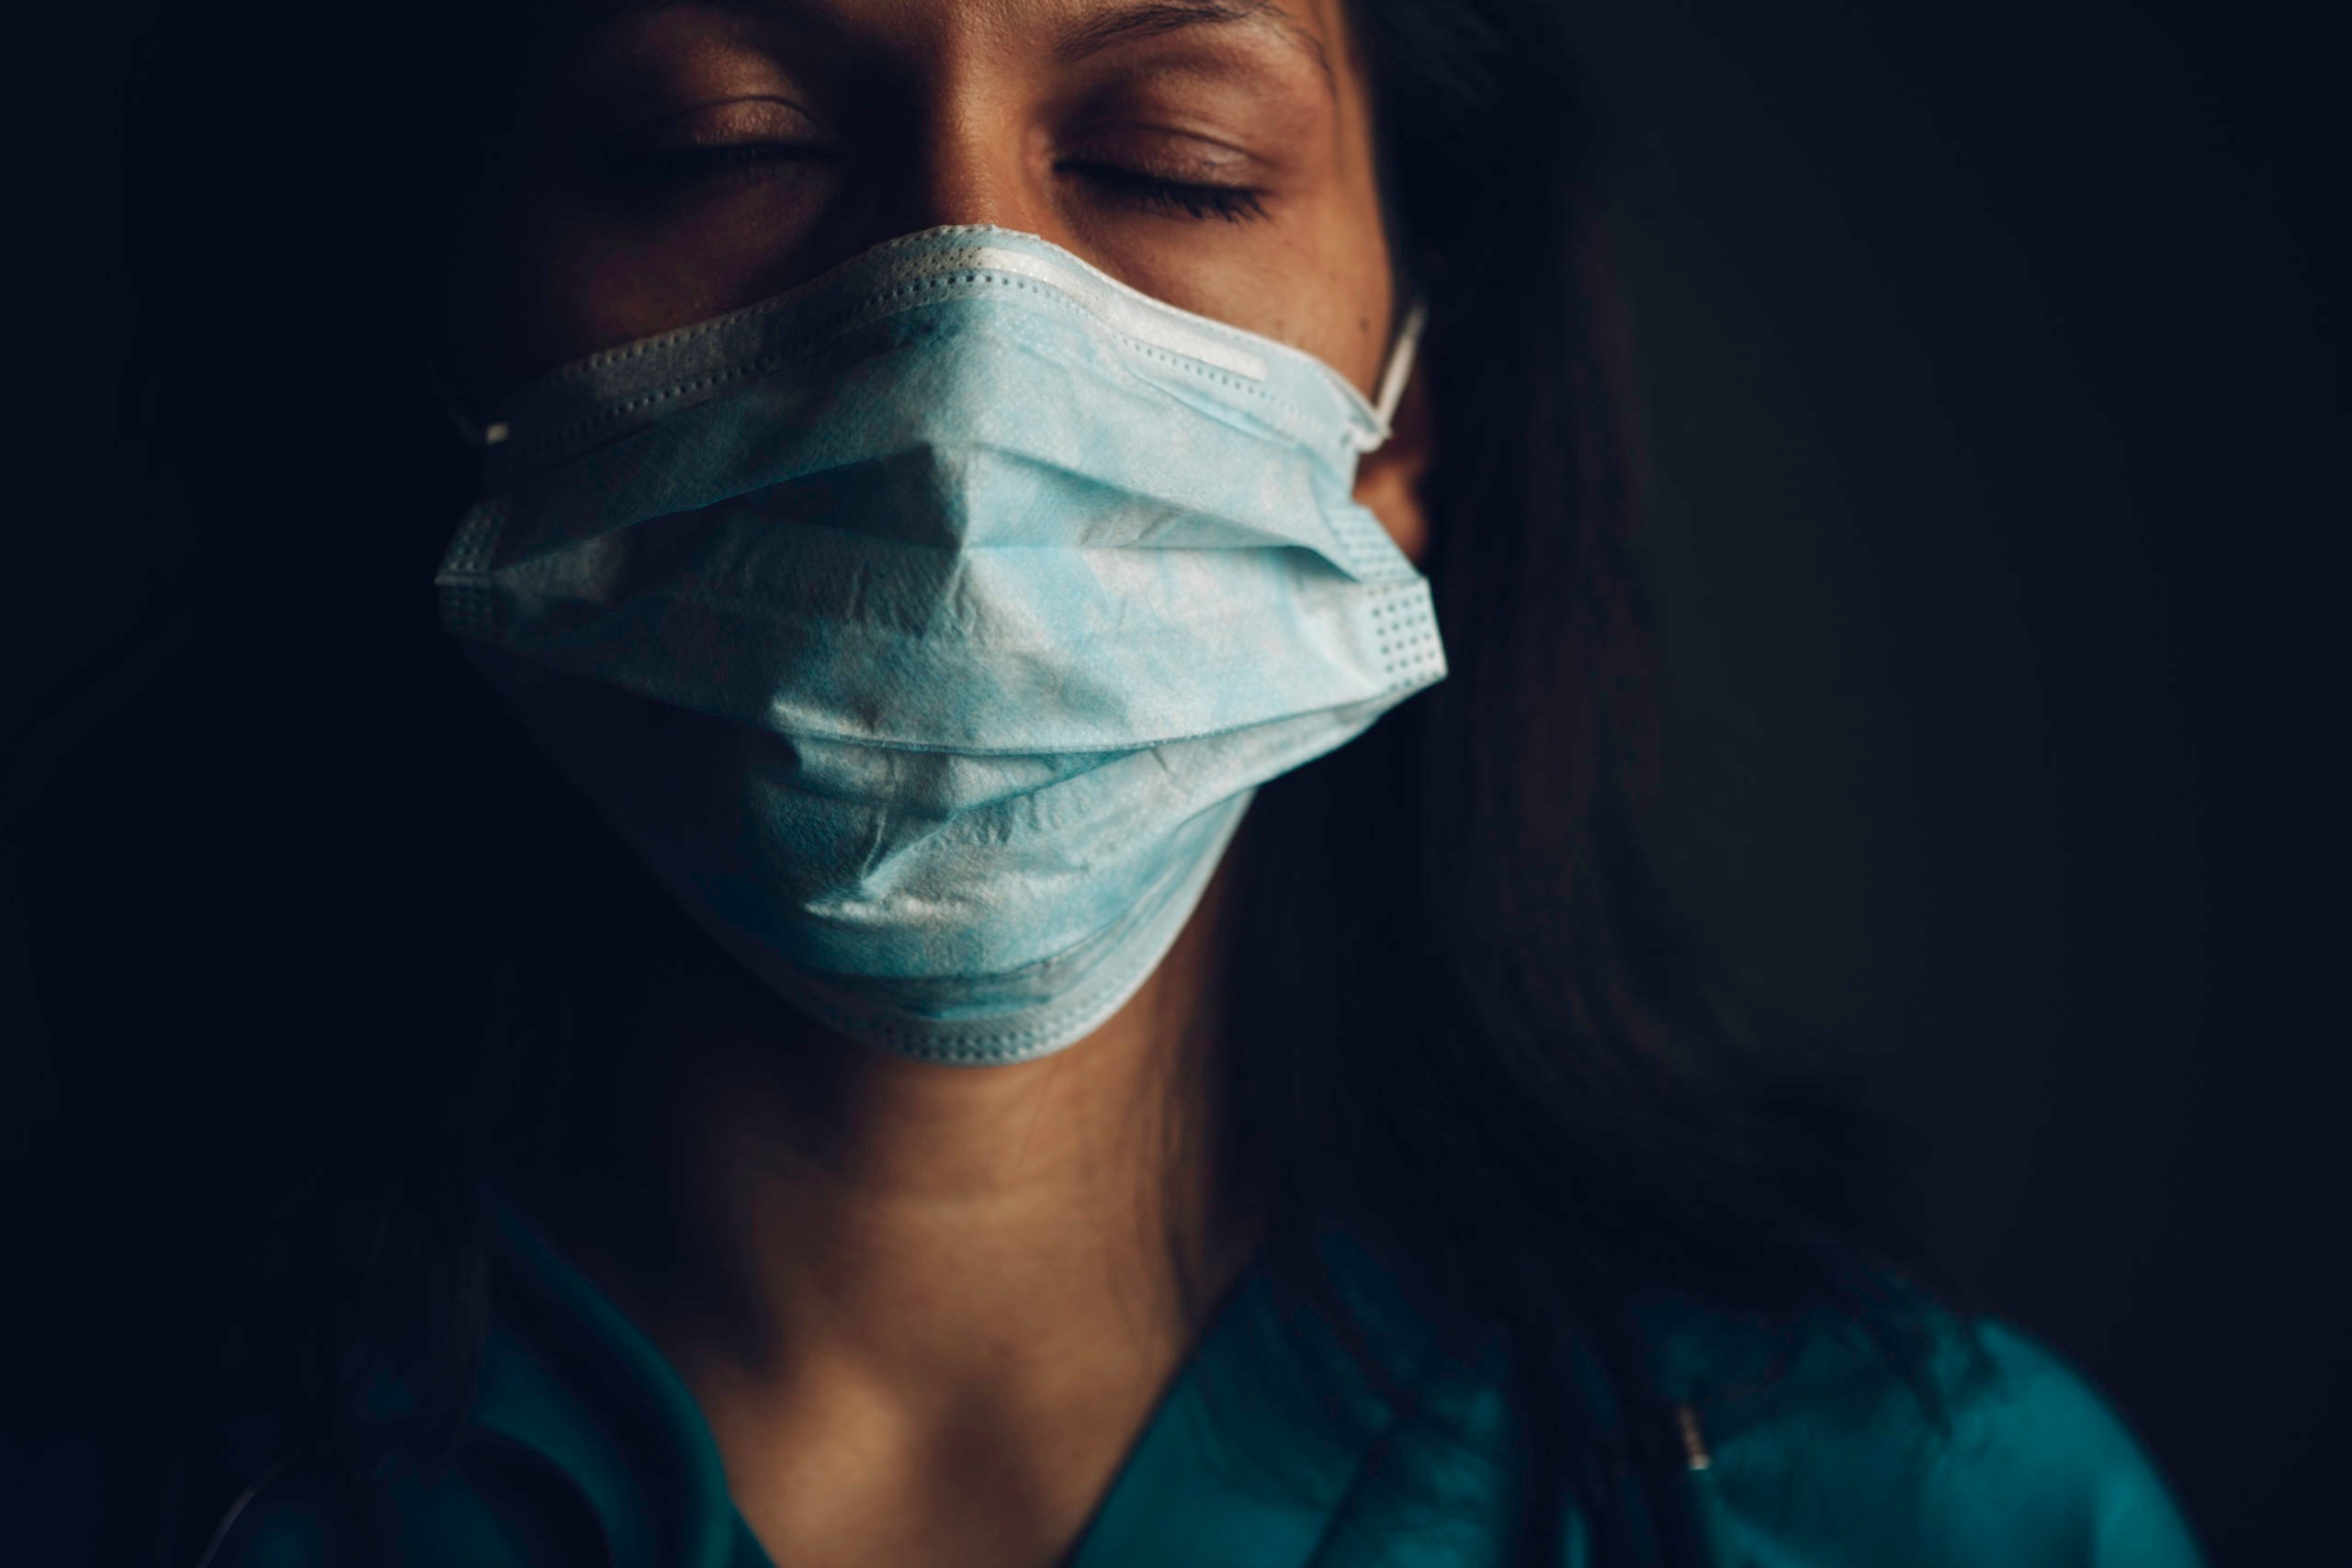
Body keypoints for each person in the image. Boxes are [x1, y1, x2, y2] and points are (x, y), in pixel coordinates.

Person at [10, 1, 2206, 1564]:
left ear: (1403, 422)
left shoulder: (1927, 1511)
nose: (961, 331)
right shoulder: (109, 1458)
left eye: (1175, 163)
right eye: (721, 139)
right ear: (441, 324)